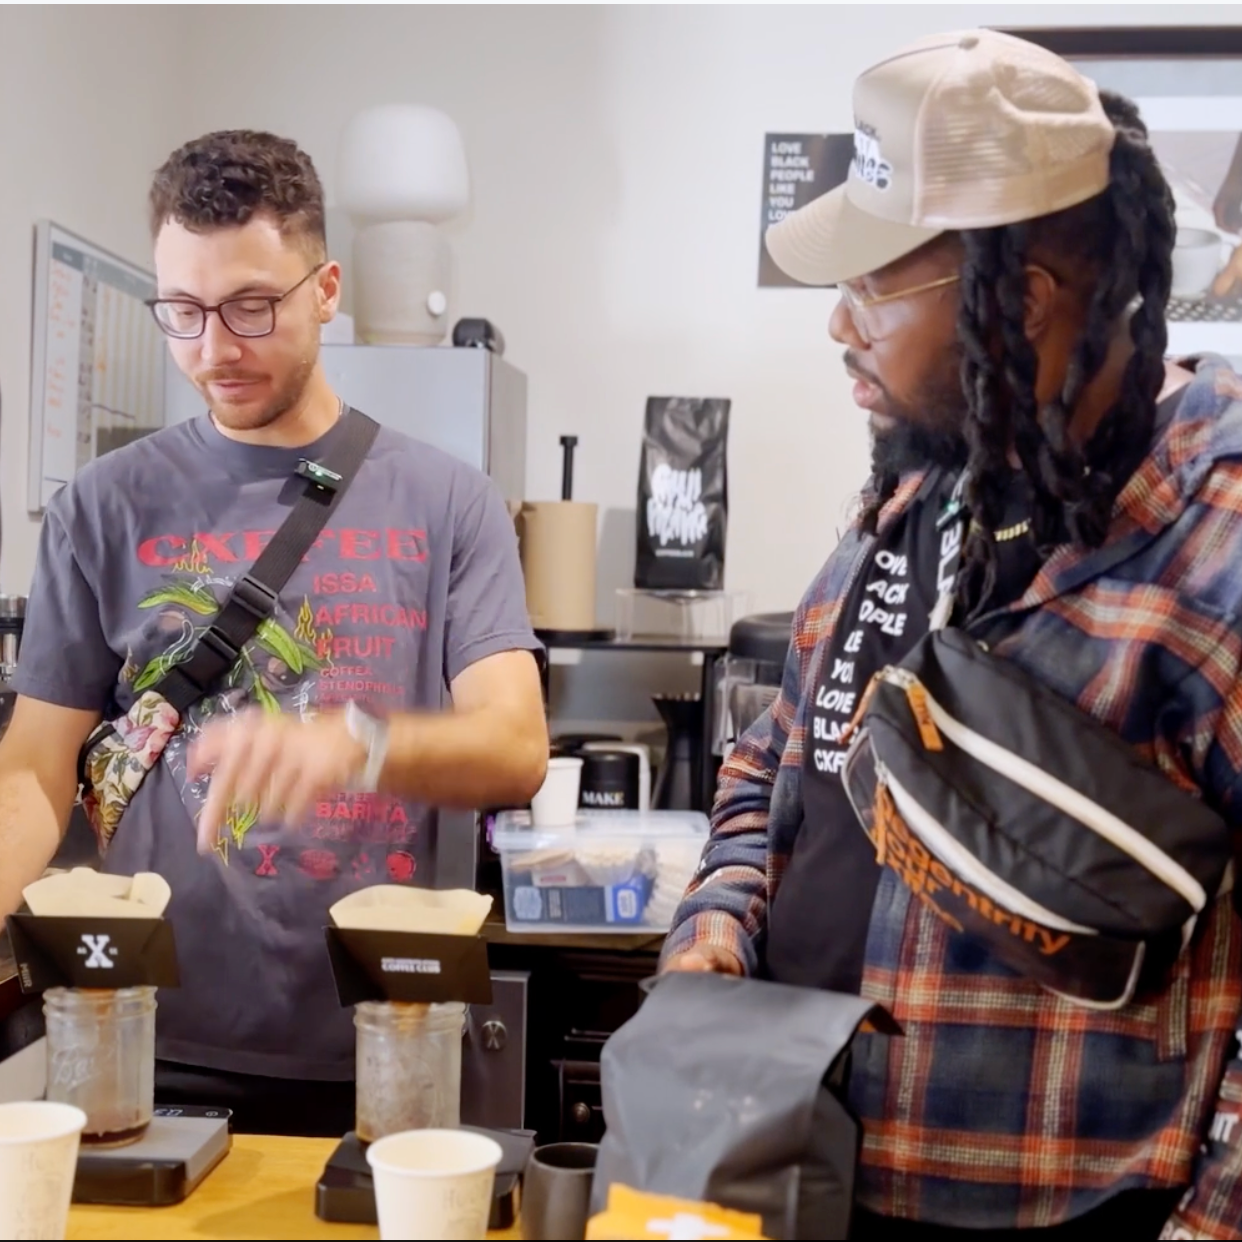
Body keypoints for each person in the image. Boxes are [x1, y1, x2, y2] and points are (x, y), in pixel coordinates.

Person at [663, 30, 1242, 1242]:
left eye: (874, 285)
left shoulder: (1215, 540)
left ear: (1018, 304)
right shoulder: (931, 483)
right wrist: (717, 924)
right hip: (802, 1169)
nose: (837, 327)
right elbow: (778, 753)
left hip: (1079, 1210)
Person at [0, 130, 548, 1134]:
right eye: (184, 311)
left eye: (252, 307)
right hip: (146, 1041)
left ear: (326, 288)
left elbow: (516, 751)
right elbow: (35, 775)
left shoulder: (449, 503)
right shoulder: (101, 509)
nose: (214, 348)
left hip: (387, 1044)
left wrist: (358, 741)